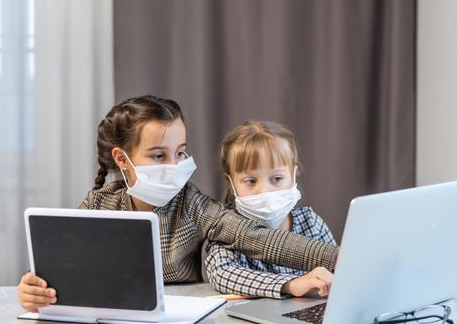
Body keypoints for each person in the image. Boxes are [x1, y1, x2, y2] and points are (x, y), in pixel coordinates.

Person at [17, 95, 338, 312]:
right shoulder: (101, 204)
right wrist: (36, 288)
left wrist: (343, 259)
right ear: (122, 159)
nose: (174, 165)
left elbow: (259, 239)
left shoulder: (194, 205)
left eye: (180, 152)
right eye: (159, 155)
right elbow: (65, 268)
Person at [205, 120, 336, 299]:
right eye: (251, 181)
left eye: (277, 178)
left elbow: (341, 269)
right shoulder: (225, 231)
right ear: (231, 182)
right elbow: (222, 274)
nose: (265, 191)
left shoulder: (311, 223)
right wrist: (291, 285)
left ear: (293, 174)